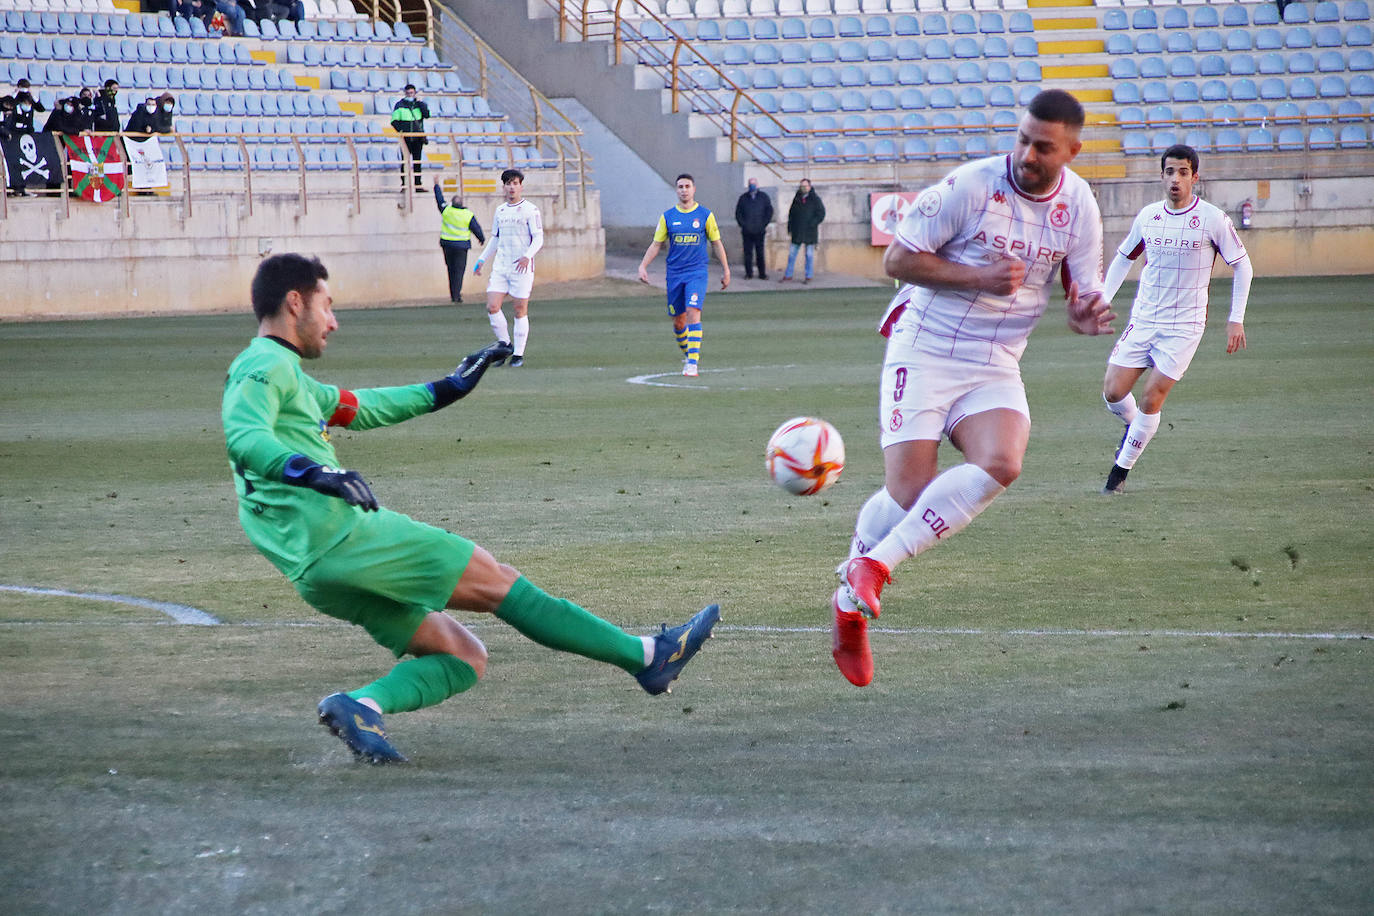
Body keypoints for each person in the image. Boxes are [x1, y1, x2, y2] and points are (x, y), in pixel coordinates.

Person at [222, 253, 721, 764]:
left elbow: (362, 406)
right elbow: (245, 436)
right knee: (498, 581)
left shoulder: (294, 380)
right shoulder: (263, 365)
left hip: (313, 571)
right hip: (343, 536)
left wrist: (449, 387)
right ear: (294, 302)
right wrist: (315, 472)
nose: (333, 321)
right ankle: (648, 657)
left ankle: (361, 706)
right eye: (327, 307)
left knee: (462, 656)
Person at [830, 88, 1116, 688]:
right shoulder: (970, 185)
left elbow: (1079, 290)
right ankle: (849, 602)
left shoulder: (1080, 207)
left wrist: (1084, 312)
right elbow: (899, 261)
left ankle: (871, 569)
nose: (1026, 155)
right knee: (909, 496)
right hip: (925, 345)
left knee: (1004, 462)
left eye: (1042, 147)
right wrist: (977, 276)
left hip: (996, 359)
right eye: (1021, 139)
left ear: (1071, 150)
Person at [1098, 144, 1253, 495]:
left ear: (1194, 177)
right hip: (1145, 318)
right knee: (1112, 392)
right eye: (1170, 171)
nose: (1176, 179)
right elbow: (1124, 257)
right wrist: (1102, 300)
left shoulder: (1213, 219)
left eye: (1183, 172)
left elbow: (1242, 265)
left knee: (1153, 396)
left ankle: (1118, 475)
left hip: (1184, 327)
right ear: (1162, 175)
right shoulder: (1149, 216)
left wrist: (1236, 318)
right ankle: (1133, 427)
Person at [637, 173, 732, 377]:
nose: (684, 190)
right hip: (674, 274)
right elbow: (656, 244)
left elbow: (716, 243)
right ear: (676, 190)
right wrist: (643, 266)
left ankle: (692, 363)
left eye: (687, 186)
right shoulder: (668, 217)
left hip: (697, 272)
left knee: (693, 311)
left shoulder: (706, 215)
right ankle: (688, 352)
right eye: (680, 186)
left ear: (694, 189)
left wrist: (726, 269)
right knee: (678, 321)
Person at [472, 168, 542, 367]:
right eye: (508, 184)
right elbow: (496, 238)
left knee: (520, 309)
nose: (512, 187)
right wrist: (482, 259)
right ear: (503, 187)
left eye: (515, 183)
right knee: (492, 306)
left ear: (521, 186)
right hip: (501, 266)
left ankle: (518, 354)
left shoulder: (531, 209)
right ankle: (505, 346)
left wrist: (527, 256)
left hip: (521, 268)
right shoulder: (500, 210)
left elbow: (538, 237)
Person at [433, 182, 486, 303]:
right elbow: (476, 228)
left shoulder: (447, 210)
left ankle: (453, 294)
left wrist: (436, 185)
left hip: (447, 245)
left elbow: (439, 199)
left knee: (450, 269)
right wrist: (481, 239)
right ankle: (456, 295)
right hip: (461, 246)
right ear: (462, 204)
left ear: (452, 203)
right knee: (459, 270)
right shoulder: (467, 214)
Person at [779, 178, 825, 284]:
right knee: (791, 254)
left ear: (809, 187)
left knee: (809, 255)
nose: (803, 188)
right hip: (797, 232)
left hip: (810, 232)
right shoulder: (797, 199)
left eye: (805, 186)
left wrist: (812, 224)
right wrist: (790, 227)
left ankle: (808, 276)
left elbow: (821, 214)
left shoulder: (815, 199)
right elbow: (791, 214)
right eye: (801, 186)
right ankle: (788, 275)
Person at [390, 84, 429, 191]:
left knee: (417, 162)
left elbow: (426, 115)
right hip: (406, 138)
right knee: (405, 162)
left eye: (412, 93)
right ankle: (404, 185)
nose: (410, 95)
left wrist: (420, 103)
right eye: (408, 93)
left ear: (415, 93)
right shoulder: (400, 105)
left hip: (417, 138)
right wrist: (402, 131)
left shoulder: (419, 105)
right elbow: (394, 121)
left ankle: (418, 185)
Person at [734, 176, 773, 280]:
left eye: (754, 183)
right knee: (748, 253)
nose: (752, 185)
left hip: (760, 230)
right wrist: (743, 225)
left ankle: (762, 274)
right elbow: (738, 213)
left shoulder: (763, 197)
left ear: (757, 185)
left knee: (760, 253)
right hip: (747, 231)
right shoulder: (743, 198)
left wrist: (763, 224)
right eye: (750, 183)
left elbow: (769, 211)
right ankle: (749, 273)